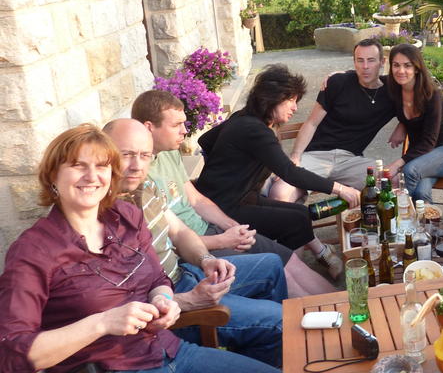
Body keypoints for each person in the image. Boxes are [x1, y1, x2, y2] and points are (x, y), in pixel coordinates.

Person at [0, 124, 276, 373]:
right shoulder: (33, 251)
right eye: (78, 166)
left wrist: (164, 301)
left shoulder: (127, 215)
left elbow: (158, 279)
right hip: (110, 365)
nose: (92, 176)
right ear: (53, 175)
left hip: (169, 350)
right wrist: (102, 323)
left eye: (102, 166)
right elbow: (12, 353)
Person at [104, 119, 287, 366]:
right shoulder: (104, 218)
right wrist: (190, 299)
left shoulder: (144, 187)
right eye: (127, 155)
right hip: (171, 306)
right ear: (104, 153)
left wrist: (206, 260)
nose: (137, 165)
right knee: (280, 321)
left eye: (145, 156)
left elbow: (179, 232)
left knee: (271, 264)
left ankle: (252, 353)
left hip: (184, 273)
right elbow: (124, 301)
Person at [131, 90, 336, 293]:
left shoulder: (168, 153)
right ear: (149, 127)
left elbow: (196, 199)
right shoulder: (136, 180)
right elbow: (171, 241)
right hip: (195, 254)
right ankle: (317, 312)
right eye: (176, 125)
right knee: (280, 271)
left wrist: (233, 227)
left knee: (292, 262)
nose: (184, 131)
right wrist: (222, 241)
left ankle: (343, 306)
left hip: (211, 229)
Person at [195, 65, 360, 278]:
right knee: (292, 223)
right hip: (224, 208)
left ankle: (300, 265)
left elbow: (205, 140)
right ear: (272, 98)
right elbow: (290, 172)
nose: (295, 107)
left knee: (301, 214)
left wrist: (229, 167)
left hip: (240, 198)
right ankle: (286, 273)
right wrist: (340, 189)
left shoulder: (243, 117)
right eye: (291, 100)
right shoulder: (255, 130)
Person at [270, 38, 397, 202]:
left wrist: (401, 126)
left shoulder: (391, 93)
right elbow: (311, 123)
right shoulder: (338, 82)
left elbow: (416, 108)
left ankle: (371, 219)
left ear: (382, 62)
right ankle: (297, 215)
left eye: (371, 60)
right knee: (279, 193)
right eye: (360, 60)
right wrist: (295, 156)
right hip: (315, 155)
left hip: (350, 160)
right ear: (354, 62)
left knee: (391, 183)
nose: (365, 66)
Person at [383, 43, 443, 202]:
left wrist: (397, 164)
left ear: (417, 68)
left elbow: (428, 142)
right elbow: (368, 77)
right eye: (396, 65)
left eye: (407, 65)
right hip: (421, 158)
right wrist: (402, 124)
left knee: (409, 171)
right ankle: (426, 218)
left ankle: (400, 214)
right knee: (420, 194)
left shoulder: (432, 95)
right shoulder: (394, 90)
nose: (401, 71)